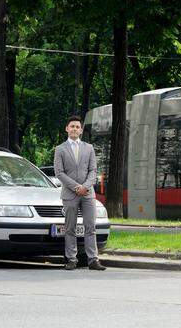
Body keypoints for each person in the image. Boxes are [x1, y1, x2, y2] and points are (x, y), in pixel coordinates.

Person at [54, 115, 106, 270]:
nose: (75, 129)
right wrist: (77, 187)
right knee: (70, 228)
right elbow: (59, 173)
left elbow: (93, 170)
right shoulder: (60, 149)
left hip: (88, 194)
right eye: (72, 126)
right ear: (67, 129)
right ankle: (71, 259)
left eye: (77, 127)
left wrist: (85, 186)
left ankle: (93, 259)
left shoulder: (88, 148)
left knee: (90, 227)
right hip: (70, 194)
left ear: (81, 130)